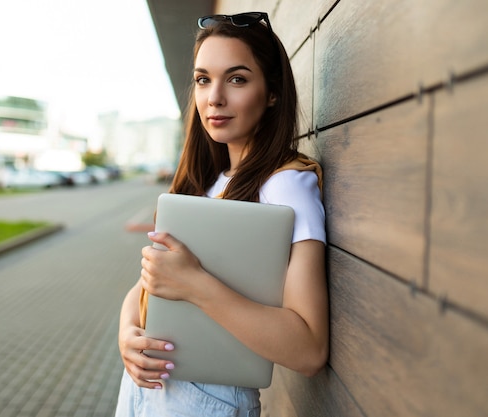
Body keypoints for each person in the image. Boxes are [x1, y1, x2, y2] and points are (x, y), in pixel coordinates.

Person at [114, 11, 328, 417]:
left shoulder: (284, 185)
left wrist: (195, 284)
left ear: (272, 93)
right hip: (143, 391)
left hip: (205, 402)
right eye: (203, 79)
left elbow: (309, 348)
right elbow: (147, 283)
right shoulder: (205, 182)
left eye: (237, 78)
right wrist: (127, 334)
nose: (214, 97)